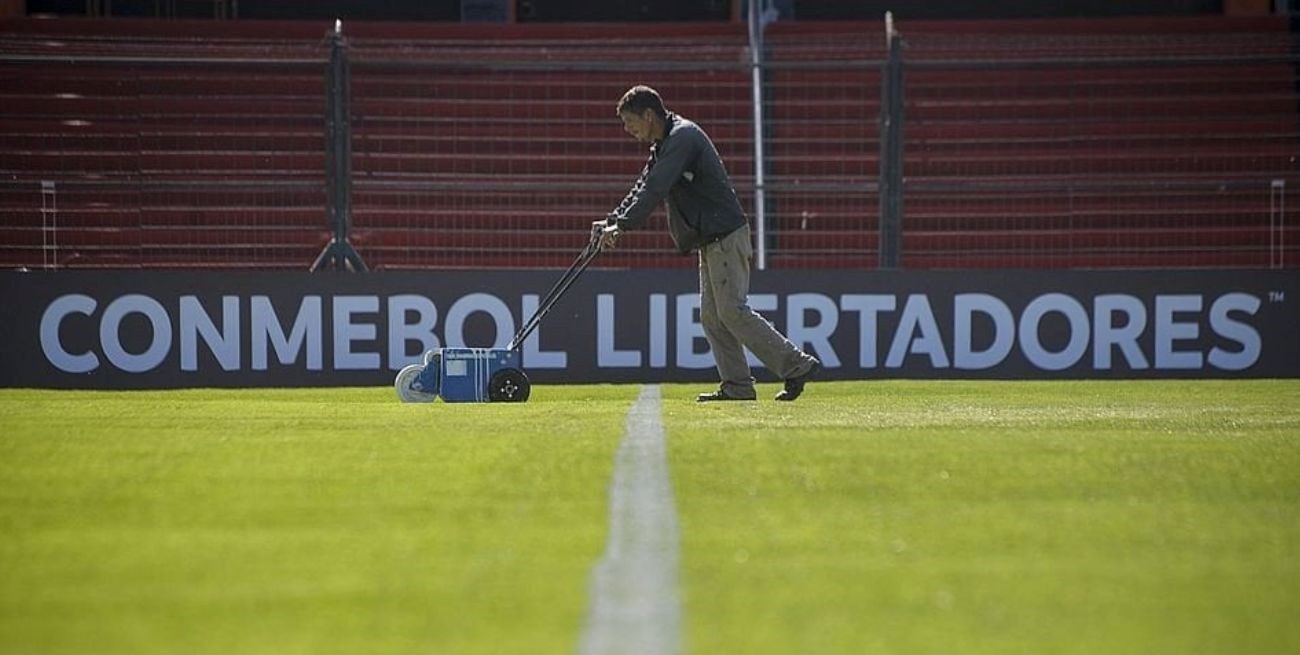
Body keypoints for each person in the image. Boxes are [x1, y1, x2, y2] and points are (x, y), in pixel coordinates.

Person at [597, 85, 820, 402]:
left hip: (725, 237)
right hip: (712, 240)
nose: (627, 130)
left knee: (732, 311)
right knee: (714, 317)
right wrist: (613, 219)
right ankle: (738, 386)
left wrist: (621, 225)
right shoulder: (665, 144)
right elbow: (644, 185)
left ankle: (796, 365)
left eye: (629, 121)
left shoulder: (682, 139)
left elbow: (655, 188)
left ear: (649, 115)